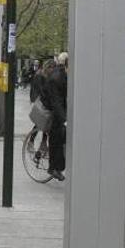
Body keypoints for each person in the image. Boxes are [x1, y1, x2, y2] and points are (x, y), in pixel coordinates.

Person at [42, 53, 68, 181]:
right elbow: (56, 102)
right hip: (51, 107)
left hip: (61, 106)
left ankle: (60, 164)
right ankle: (53, 168)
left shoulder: (65, 75)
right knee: (57, 134)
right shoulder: (56, 78)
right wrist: (65, 120)